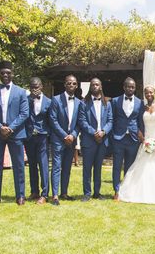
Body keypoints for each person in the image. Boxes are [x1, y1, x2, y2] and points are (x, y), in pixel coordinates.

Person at [0, 61, 29, 205]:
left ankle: (20, 195)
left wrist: (10, 128)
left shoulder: (21, 92)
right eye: (3, 72)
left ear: (12, 73)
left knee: (18, 166)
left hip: (15, 134)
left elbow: (24, 113)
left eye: (8, 73)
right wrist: (0, 127)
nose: (5, 75)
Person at [48, 75, 82, 205]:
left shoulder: (79, 102)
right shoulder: (56, 100)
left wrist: (73, 135)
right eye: (69, 83)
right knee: (56, 167)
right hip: (58, 139)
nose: (71, 85)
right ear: (65, 84)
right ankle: (55, 195)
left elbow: (80, 122)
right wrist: (64, 135)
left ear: (76, 85)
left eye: (74, 83)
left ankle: (64, 193)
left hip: (72, 140)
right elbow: (53, 120)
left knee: (67, 167)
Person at [78, 78, 113, 201]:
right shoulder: (83, 103)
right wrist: (94, 133)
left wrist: (103, 132)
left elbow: (110, 121)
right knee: (87, 168)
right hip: (89, 140)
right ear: (90, 87)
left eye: (97, 84)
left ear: (101, 86)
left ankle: (97, 193)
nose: (95, 86)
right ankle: (87, 193)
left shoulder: (107, 103)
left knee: (98, 168)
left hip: (102, 140)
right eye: (93, 85)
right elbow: (82, 121)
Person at [111, 77, 144, 200]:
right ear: (124, 87)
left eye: (133, 87)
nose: (130, 89)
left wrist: (142, 134)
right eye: (128, 86)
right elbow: (112, 119)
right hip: (118, 138)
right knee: (117, 166)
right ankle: (117, 191)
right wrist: (113, 135)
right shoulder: (115, 101)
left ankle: (127, 191)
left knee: (130, 167)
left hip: (133, 139)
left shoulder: (140, 102)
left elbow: (141, 120)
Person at [24, 77, 52, 204]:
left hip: (42, 137)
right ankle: (34, 191)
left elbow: (51, 121)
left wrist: (48, 135)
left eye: (37, 87)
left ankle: (45, 194)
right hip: (29, 137)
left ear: (41, 87)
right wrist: (29, 100)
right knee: (32, 165)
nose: (35, 89)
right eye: (32, 87)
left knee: (43, 165)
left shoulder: (48, 102)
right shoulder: (25, 100)